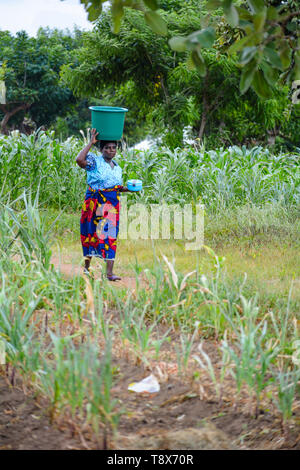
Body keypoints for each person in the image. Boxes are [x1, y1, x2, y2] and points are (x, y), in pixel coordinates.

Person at [76, 128, 129, 281]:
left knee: (110, 234)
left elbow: (115, 186)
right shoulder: (94, 161)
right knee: (91, 233)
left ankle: (110, 273)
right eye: (107, 148)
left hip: (111, 204)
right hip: (94, 203)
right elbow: (79, 160)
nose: (111, 151)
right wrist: (90, 143)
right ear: (101, 149)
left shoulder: (117, 167)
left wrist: (127, 189)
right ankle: (87, 268)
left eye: (113, 148)